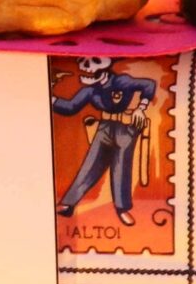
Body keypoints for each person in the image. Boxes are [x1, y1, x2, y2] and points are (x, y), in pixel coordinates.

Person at [51, 56, 157, 226]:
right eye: (82, 62)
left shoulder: (121, 81)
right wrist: (50, 98)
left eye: (93, 62)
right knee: (90, 165)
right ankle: (68, 204)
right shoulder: (90, 91)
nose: (86, 67)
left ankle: (122, 209)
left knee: (120, 168)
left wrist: (141, 108)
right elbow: (70, 107)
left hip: (125, 128)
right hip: (105, 127)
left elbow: (149, 85)